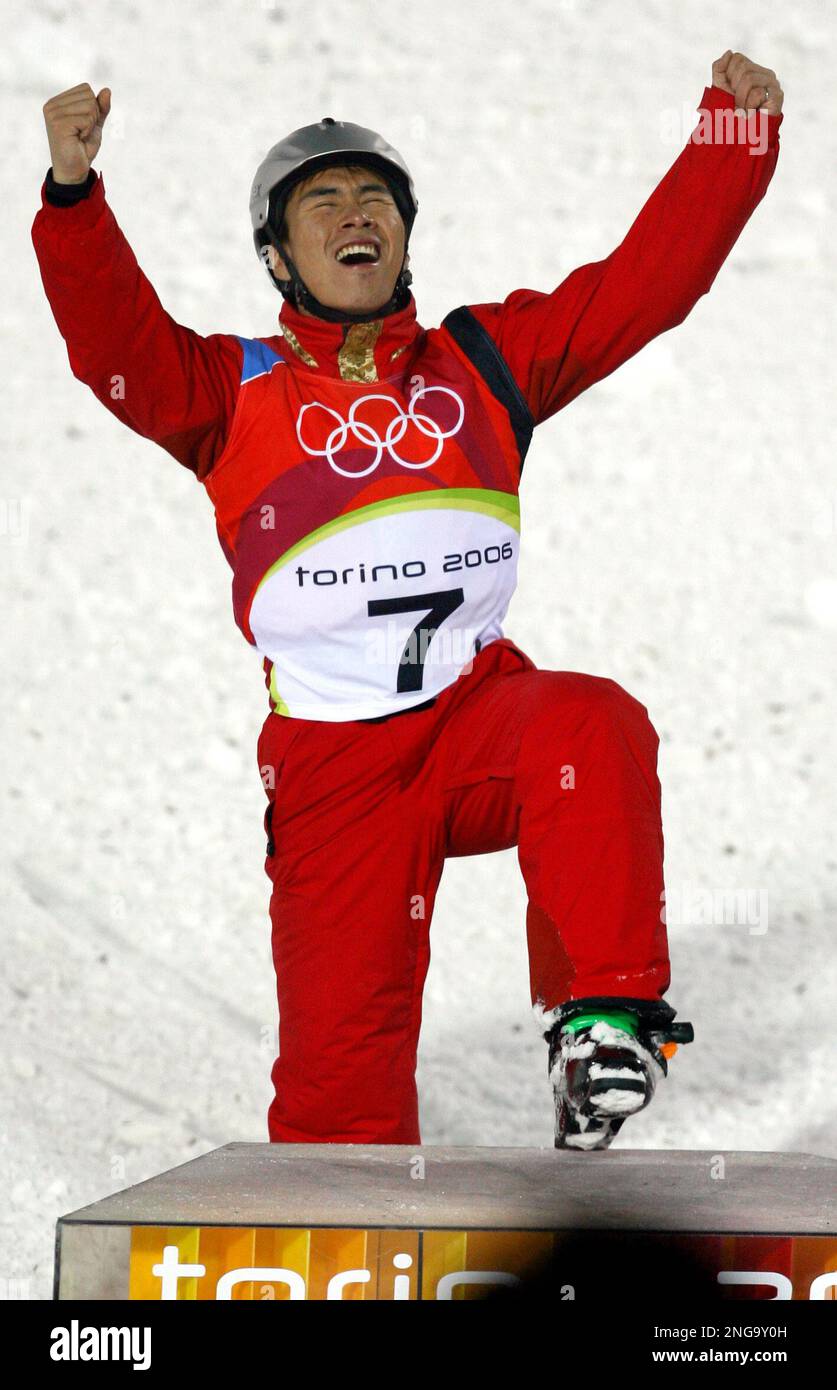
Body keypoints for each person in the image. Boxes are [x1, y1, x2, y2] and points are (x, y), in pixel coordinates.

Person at [33, 51, 783, 1149]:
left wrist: (734, 139)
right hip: (339, 775)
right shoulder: (229, 393)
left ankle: (605, 1025)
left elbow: (644, 287)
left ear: (403, 236)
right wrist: (72, 199)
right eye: (323, 201)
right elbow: (115, 350)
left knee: (587, 721)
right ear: (278, 254)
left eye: (375, 197)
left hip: (477, 719)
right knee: (341, 1112)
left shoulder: (483, 363)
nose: (356, 215)